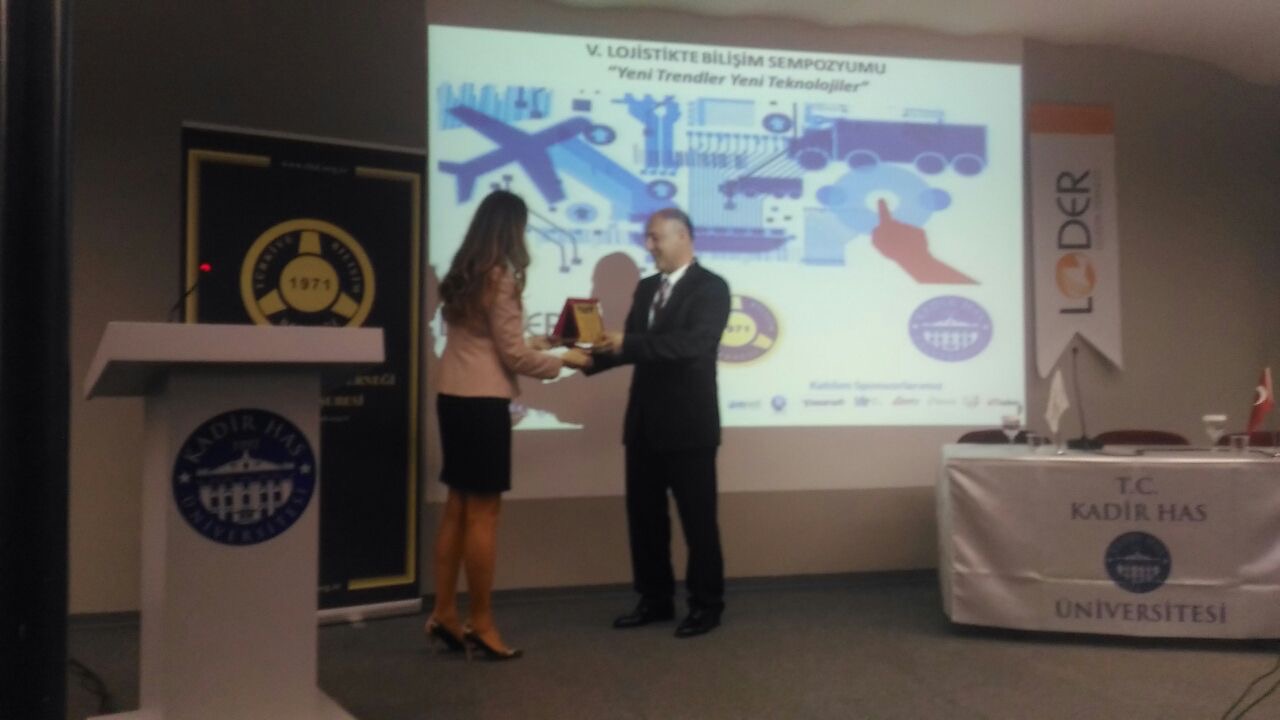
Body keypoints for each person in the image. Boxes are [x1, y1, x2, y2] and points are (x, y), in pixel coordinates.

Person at [426, 189, 590, 660]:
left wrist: (543, 341)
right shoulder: (501, 278)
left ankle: (444, 614)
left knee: (457, 508)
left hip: (453, 397)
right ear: (511, 229)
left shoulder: (465, 273)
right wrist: (567, 360)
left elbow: (489, 340)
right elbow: (513, 356)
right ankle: (481, 623)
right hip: (482, 405)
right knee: (484, 515)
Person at [585, 207, 731, 638]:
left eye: (656, 238)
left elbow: (691, 345)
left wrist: (628, 342)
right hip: (644, 424)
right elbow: (631, 348)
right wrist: (582, 359)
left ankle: (706, 605)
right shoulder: (647, 287)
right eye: (648, 238)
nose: (649, 246)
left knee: (698, 523)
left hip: (689, 427)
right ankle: (655, 599)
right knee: (645, 520)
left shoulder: (712, 287)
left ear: (682, 236)